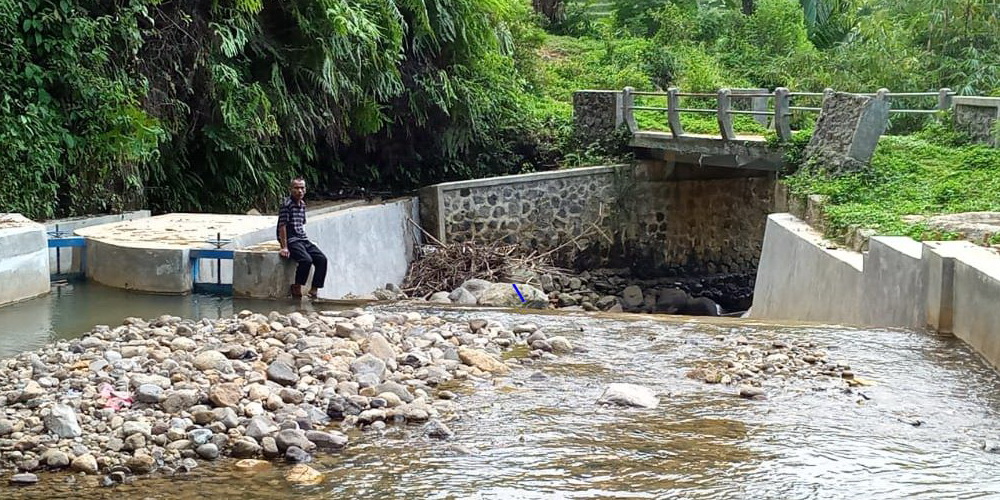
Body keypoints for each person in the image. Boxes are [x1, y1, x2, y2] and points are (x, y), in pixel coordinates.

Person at [277, 177, 327, 298]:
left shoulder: (302, 205)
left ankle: (314, 289)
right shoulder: (286, 205)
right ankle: (297, 286)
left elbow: (302, 224)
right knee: (306, 260)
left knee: (322, 259)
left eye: (302, 188)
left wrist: (305, 240)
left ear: (305, 190)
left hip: (302, 238)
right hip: (291, 239)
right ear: (291, 189)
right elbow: (282, 226)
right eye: (296, 188)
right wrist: (284, 247)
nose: (299, 191)